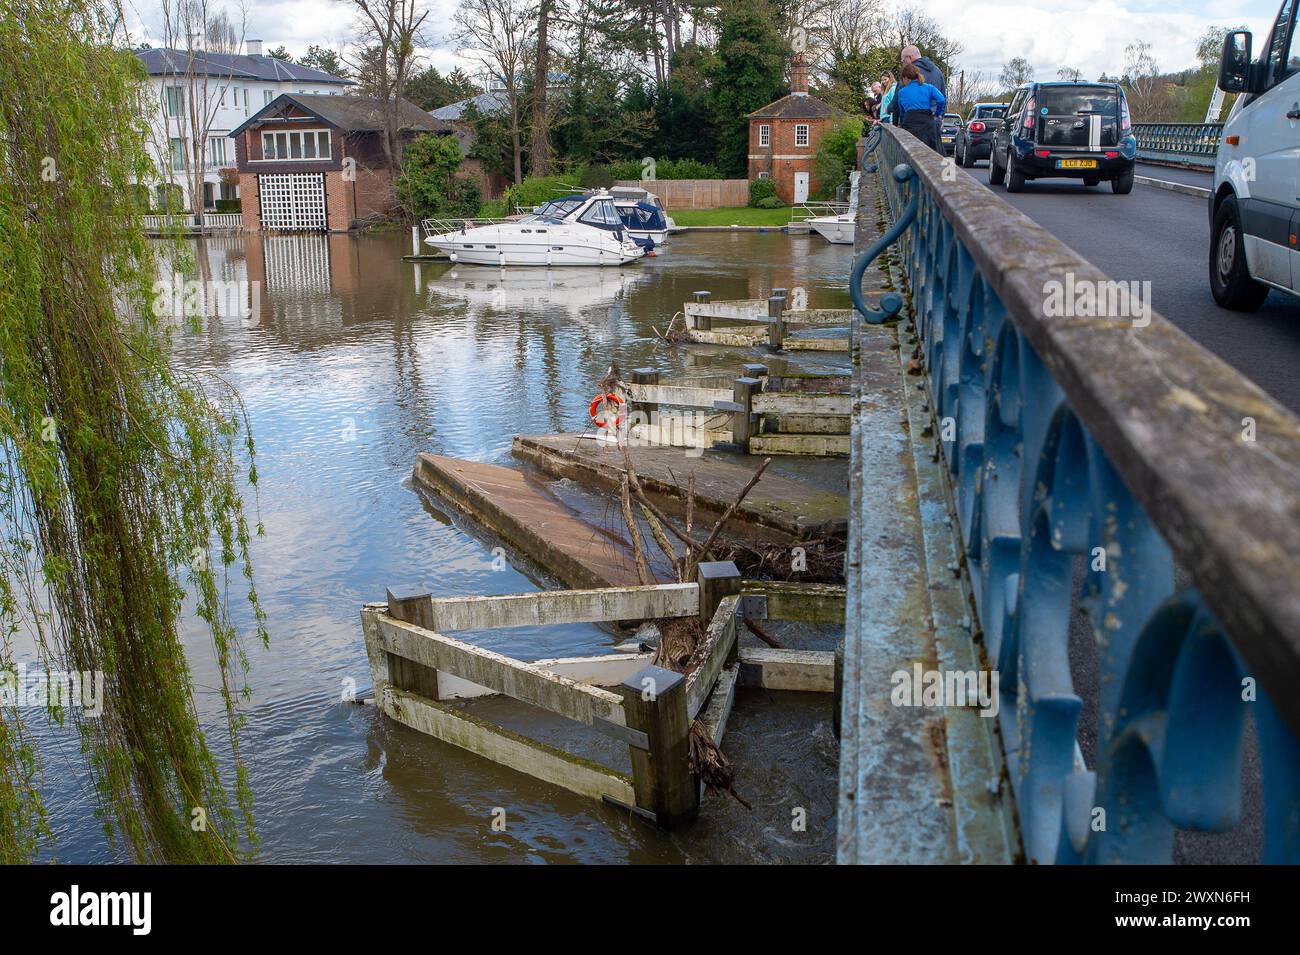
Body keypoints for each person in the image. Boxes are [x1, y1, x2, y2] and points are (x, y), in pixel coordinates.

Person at [890, 63, 946, 152]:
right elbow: (941, 100)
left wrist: (901, 122)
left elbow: (901, 112)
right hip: (927, 122)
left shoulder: (902, 92)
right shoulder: (929, 87)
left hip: (910, 122)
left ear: (905, 78)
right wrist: (937, 114)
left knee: (911, 152)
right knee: (929, 152)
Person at [901, 45, 946, 139]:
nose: (903, 64)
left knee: (913, 151)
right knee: (933, 151)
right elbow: (942, 98)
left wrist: (898, 120)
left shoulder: (908, 74)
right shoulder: (938, 71)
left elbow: (898, 104)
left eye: (903, 61)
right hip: (932, 121)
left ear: (909, 57)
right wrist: (939, 115)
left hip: (912, 123)